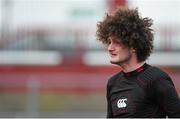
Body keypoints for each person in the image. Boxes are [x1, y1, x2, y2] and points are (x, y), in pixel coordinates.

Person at [96, 7, 180, 118]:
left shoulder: (156, 79)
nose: (110, 48)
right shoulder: (113, 83)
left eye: (116, 42)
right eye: (109, 42)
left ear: (133, 46)